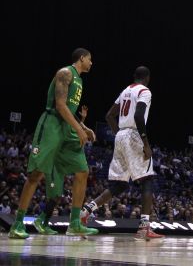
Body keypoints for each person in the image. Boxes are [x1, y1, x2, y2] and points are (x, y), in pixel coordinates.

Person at [8, 48, 98, 239]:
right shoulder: (65, 73)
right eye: (90, 59)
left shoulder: (80, 80)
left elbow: (70, 109)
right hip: (51, 126)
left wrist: (83, 126)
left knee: (83, 170)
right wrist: (79, 129)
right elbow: (60, 105)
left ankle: (74, 223)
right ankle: (17, 224)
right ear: (81, 58)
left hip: (67, 128)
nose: (91, 63)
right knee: (36, 174)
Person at [80, 66, 164, 241]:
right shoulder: (145, 91)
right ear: (147, 78)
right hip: (134, 135)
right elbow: (140, 116)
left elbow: (109, 115)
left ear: (135, 76)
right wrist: (145, 143)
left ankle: (86, 211)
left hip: (120, 136)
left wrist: (118, 133)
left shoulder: (126, 90)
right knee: (147, 180)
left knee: (120, 185)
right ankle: (144, 228)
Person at [33, 105, 90, 235]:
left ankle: (44, 223)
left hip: (59, 163)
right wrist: (83, 124)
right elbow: (75, 126)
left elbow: (76, 126)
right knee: (55, 196)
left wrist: (82, 120)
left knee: (57, 197)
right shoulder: (61, 125)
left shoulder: (71, 125)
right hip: (53, 163)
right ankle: (39, 220)